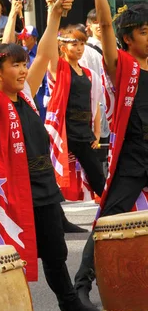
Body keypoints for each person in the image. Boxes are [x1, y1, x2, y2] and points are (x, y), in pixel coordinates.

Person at [0, 0, 102, 311]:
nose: (21, 69)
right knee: (12, 253)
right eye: (14, 65)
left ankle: (69, 303)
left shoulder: (26, 96)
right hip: (13, 190)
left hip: (42, 185)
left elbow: (44, 54)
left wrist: (54, 15)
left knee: (55, 251)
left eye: (22, 63)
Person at [75, 0, 148, 308]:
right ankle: (82, 283)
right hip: (133, 154)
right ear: (127, 39)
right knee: (110, 218)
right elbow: (104, 26)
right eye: (144, 32)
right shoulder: (124, 66)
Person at [45, 23, 106, 202]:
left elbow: (94, 103)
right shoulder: (59, 68)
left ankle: (111, 207)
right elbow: (48, 49)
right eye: (74, 45)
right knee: (50, 173)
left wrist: (96, 132)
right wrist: (52, 12)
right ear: (63, 47)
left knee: (95, 171)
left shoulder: (88, 73)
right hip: (64, 130)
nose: (79, 49)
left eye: (81, 44)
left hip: (83, 131)